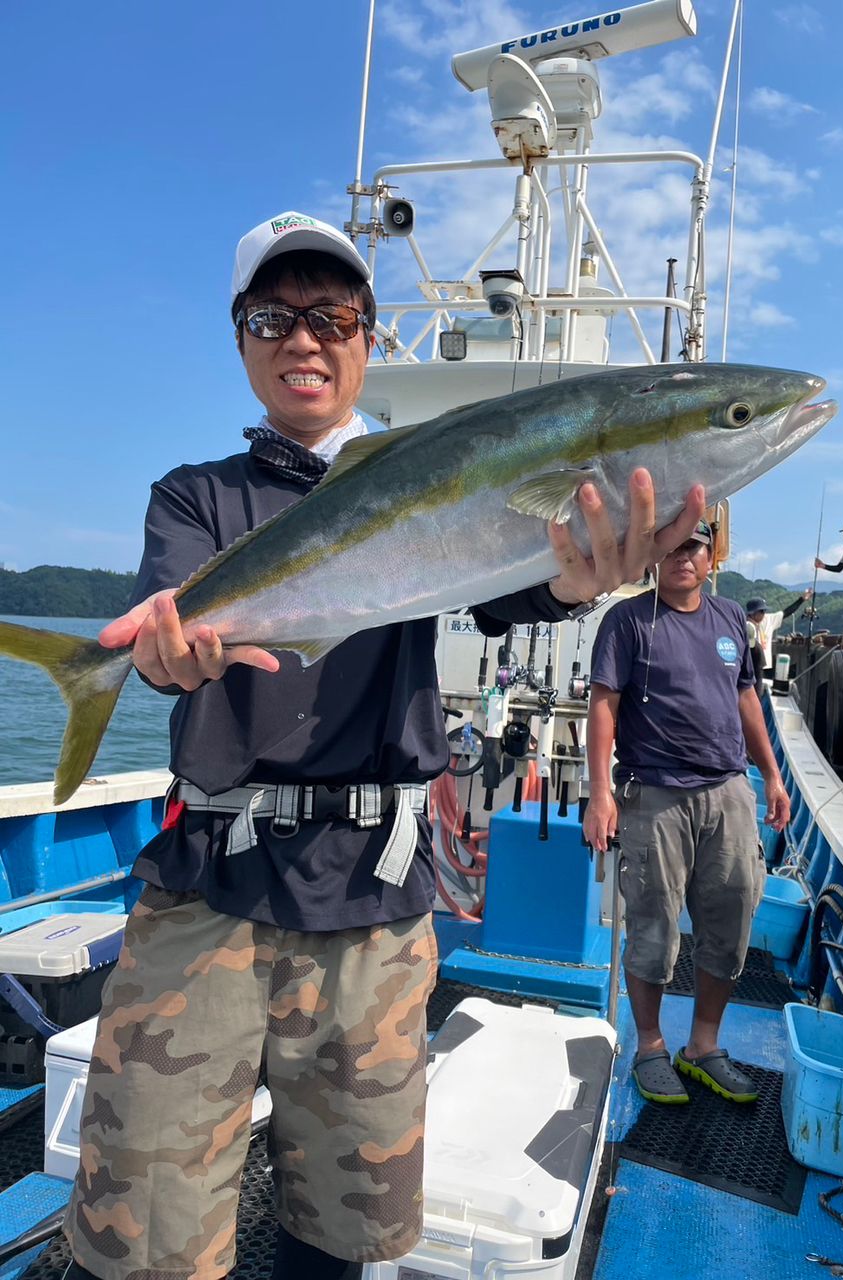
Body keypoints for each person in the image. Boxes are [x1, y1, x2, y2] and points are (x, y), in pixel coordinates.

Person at [61, 211, 705, 1280]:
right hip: (208, 889)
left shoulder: (427, 481)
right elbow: (167, 622)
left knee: (343, 1231)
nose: (304, 338)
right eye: (275, 315)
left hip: (372, 904)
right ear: (241, 336)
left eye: (334, 314)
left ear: (368, 337)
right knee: (143, 1239)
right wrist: (161, 656)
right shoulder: (197, 496)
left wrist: (582, 577)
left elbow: (523, 579)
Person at [582, 519, 789, 1106]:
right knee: (652, 927)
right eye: (669, 546)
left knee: (730, 920)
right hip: (655, 796)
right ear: (654, 554)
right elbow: (604, 706)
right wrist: (601, 792)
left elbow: (746, 698)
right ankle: (650, 1046)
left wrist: (771, 775)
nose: (681, 557)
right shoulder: (626, 621)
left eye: (692, 547)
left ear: (709, 556)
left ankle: (703, 1045)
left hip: (728, 792)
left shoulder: (730, 620)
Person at [745, 590, 813, 677]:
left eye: (764, 611)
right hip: (751, 666)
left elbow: (786, 612)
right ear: (753, 613)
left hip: (766, 666)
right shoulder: (746, 625)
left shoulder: (768, 620)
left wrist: (802, 599)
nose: (764, 613)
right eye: (761, 611)